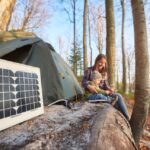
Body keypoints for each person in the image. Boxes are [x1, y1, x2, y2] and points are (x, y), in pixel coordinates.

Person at [82, 54, 129, 120]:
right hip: (95, 94)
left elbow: (106, 86)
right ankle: (114, 106)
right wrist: (89, 86)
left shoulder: (104, 73)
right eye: (100, 62)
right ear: (96, 61)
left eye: (104, 63)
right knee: (103, 96)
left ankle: (127, 118)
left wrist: (110, 89)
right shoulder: (89, 70)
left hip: (104, 92)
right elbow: (83, 82)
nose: (102, 64)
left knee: (119, 96)